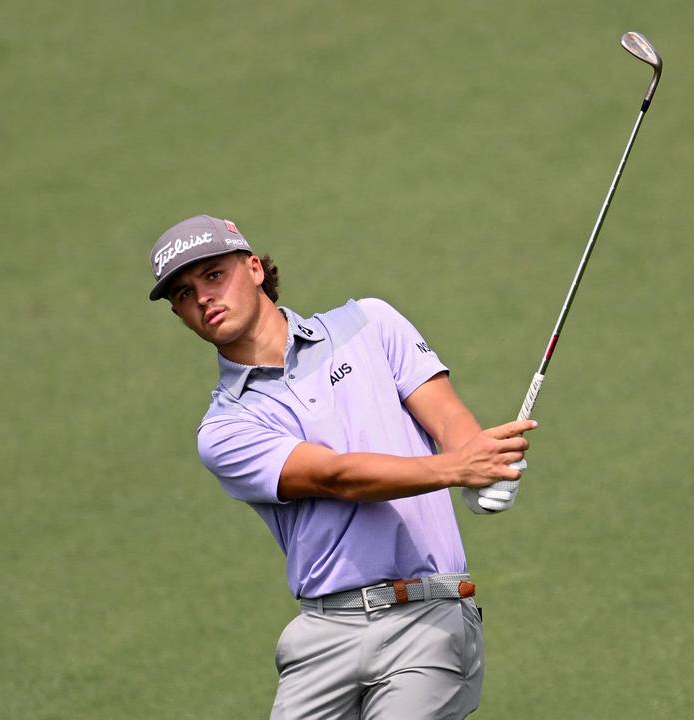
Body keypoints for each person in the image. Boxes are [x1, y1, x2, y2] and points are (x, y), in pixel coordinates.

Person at [149, 215, 535, 719]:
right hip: (322, 639)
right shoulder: (224, 429)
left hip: (426, 621)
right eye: (183, 293)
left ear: (253, 269)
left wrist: (479, 461)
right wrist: (456, 469)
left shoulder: (369, 323)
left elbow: (445, 415)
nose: (202, 298)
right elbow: (337, 476)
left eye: (214, 276)